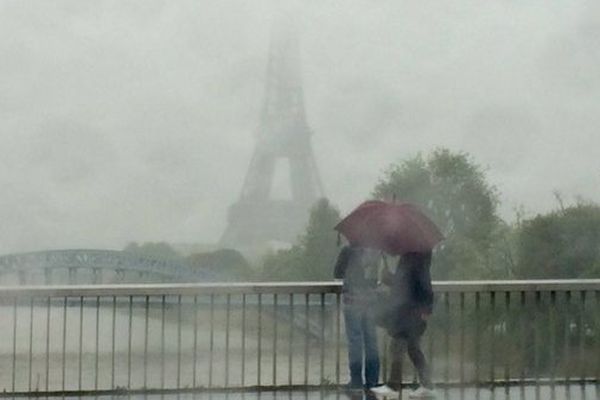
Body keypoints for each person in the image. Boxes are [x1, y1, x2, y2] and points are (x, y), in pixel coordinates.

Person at [371, 251, 436, 399]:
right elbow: (404, 284)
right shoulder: (411, 257)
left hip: (411, 312)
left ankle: (394, 386)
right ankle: (427, 385)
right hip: (407, 311)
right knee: (412, 348)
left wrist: (426, 308)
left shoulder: (417, 258)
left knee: (398, 346)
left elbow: (424, 284)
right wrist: (389, 278)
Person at [334, 244, 381, 391]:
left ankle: (356, 382)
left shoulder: (348, 249)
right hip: (371, 300)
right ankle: (372, 381)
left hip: (353, 300)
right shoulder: (376, 250)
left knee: (355, 340)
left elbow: (337, 272)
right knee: (371, 341)